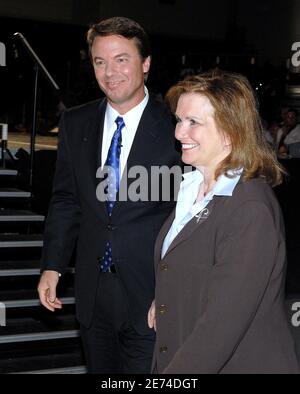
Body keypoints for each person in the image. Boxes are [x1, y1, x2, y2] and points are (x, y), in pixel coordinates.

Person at [38, 16, 180, 374]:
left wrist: (175, 291)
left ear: (146, 64)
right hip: (92, 293)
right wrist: (53, 265)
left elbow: (189, 215)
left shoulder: (177, 127)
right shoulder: (75, 123)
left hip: (151, 294)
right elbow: (66, 200)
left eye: (121, 59)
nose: (110, 72)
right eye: (100, 61)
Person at [148, 70, 300, 374]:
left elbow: (222, 324)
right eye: (179, 120)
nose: (179, 133)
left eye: (193, 123)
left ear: (231, 132)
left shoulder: (250, 208)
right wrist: (166, 299)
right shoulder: (193, 188)